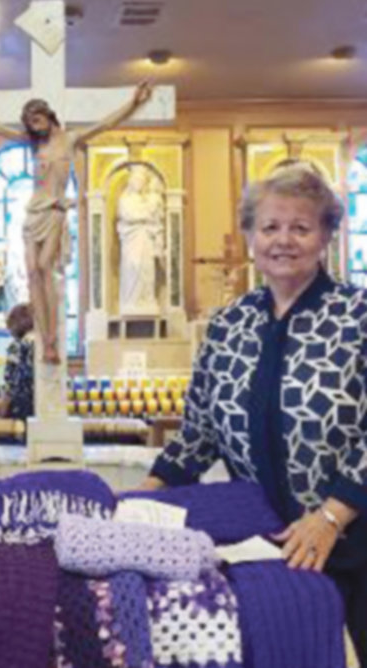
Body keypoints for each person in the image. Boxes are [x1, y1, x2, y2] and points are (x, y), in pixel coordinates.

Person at [139, 165, 367, 665]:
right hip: (265, 548)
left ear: (326, 236)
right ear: (249, 235)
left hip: (354, 543)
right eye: (270, 227)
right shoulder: (228, 325)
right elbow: (197, 434)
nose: (283, 240)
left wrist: (332, 515)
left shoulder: (358, 315)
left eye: (301, 228)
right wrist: (141, 501)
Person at [0, 82, 152, 363]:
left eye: (37, 119)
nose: (34, 126)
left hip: (55, 212)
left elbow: (105, 123)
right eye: (30, 122)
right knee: (32, 274)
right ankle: (48, 341)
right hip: (33, 213)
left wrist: (134, 103)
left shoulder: (70, 139)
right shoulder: (32, 143)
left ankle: (52, 336)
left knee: (45, 268)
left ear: (48, 115)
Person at [116, 164, 164, 314]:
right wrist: (145, 215)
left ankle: (146, 300)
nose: (139, 183)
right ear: (131, 181)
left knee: (147, 268)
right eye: (137, 180)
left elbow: (155, 217)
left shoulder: (147, 200)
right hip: (132, 238)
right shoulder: (125, 199)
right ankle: (131, 301)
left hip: (146, 237)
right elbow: (127, 215)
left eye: (142, 181)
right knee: (133, 266)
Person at [0, 303, 35, 420]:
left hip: (22, 406)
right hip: (43, 405)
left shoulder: (17, 346)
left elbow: (13, 382)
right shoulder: (39, 343)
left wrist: (2, 409)